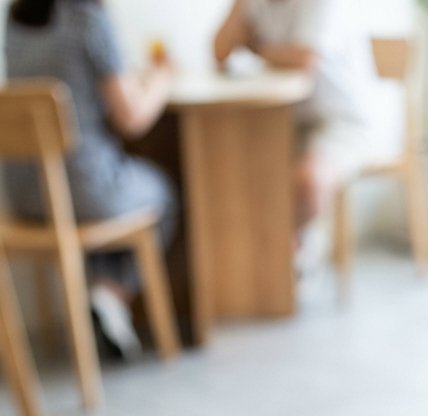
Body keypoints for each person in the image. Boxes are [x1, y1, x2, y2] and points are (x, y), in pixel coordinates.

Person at [4, 0, 177, 358]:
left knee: (109, 193)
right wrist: (162, 77)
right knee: (161, 193)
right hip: (81, 190)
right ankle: (111, 293)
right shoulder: (88, 20)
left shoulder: (16, 17)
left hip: (23, 195)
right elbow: (132, 118)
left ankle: (104, 296)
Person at [213, 0, 375, 242]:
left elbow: (304, 58)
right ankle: (256, 265)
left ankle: (295, 262)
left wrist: (253, 47)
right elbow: (220, 53)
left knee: (307, 184)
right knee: (230, 171)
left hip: (341, 121)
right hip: (286, 122)